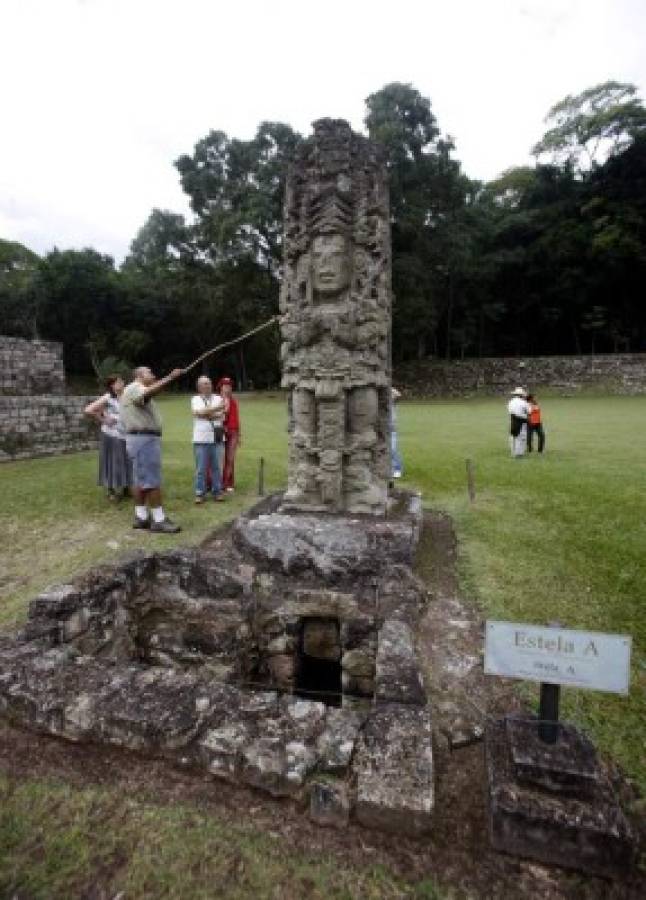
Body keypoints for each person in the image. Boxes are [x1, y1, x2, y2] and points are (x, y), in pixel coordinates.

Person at [120, 365, 184, 533]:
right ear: (139, 375)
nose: (153, 374)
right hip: (144, 439)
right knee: (151, 480)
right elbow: (146, 394)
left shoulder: (133, 389)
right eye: (150, 372)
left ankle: (141, 517)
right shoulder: (135, 387)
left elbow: (150, 393)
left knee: (140, 480)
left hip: (139, 439)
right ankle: (159, 520)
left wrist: (166, 380)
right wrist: (170, 377)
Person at [84, 374, 132, 500]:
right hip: (111, 435)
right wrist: (104, 420)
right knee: (112, 461)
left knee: (126, 461)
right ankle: (111, 491)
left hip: (125, 435)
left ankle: (126, 487)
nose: (122, 383)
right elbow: (89, 410)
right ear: (112, 385)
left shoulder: (127, 395)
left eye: (122, 381)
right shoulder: (108, 397)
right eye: (119, 382)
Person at [191, 376, 226, 503]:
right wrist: (215, 410)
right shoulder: (195, 399)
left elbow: (222, 415)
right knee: (201, 468)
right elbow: (197, 413)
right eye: (205, 384)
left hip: (217, 437)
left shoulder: (218, 398)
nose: (208, 386)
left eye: (209, 383)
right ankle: (200, 493)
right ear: (199, 387)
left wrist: (206, 413)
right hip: (201, 438)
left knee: (217, 467)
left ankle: (218, 491)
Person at [218, 376, 241, 492]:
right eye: (225, 386)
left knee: (230, 458)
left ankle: (228, 483)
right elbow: (219, 417)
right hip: (221, 432)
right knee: (219, 458)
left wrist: (239, 435)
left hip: (234, 432)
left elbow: (237, 419)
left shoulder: (234, 401)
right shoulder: (217, 400)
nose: (227, 388)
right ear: (221, 387)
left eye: (229, 386)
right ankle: (216, 482)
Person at [507, 386, 529, 458]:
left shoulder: (510, 402)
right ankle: (519, 453)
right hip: (522, 420)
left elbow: (509, 410)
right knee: (521, 437)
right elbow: (529, 411)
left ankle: (513, 452)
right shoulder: (523, 402)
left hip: (513, 419)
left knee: (513, 436)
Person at [390, 386, 403, 479]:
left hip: (391, 429)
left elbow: (398, 394)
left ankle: (397, 469)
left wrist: (389, 389)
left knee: (393, 449)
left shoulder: (392, 403)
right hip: (381, 428)